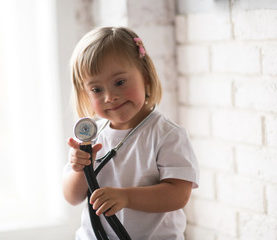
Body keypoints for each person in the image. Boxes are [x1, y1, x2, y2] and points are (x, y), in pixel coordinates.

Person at [62, 26, 199, 240]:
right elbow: (72, 197)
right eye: (97, 90)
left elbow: (178, 195)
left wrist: (126, 197)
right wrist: (79, 169)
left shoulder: (166, 134)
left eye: (119, 82)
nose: (110, 96)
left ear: (145, 75)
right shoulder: (92, 138)